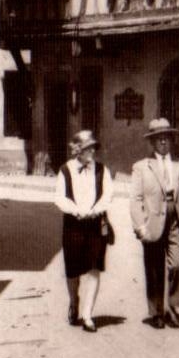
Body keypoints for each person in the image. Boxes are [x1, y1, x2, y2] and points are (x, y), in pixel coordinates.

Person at [129, 117, 179, 329]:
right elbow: (136, 200)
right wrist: (140, 226)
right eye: (158, 138)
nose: (163, 142)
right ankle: (157, 312)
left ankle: (172, 308)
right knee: (154, 268)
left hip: (177, 220)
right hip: (152, 222)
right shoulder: (141, 167)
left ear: (171, 140)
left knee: (178, 264)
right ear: (152, 142)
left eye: (166, 138)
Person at [54, 129, 114, 333]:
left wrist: (95, 210)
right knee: (72, 270)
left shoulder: (102, 170)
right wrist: (76, 210)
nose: (92, 152)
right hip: (73, 225)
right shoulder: (65, 170)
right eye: (88, 148)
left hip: (96, 225)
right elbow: (60, 197)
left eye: (93, 148)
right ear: (77, 150)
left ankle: (88, 315)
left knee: (95, 267)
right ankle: (74, 301)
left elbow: (107, 195)